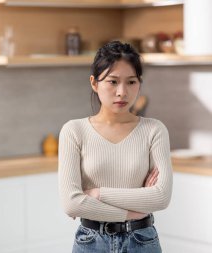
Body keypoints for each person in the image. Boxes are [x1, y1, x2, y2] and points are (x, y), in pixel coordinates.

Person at [58, 41, 172, 253]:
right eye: (112, 82)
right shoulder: (74, 131)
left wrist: (96, 194)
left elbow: (161, 196)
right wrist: (131, 214)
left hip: (142, 242)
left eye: (131, 82)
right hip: (91, 242)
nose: (122, 92)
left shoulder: (154, 130)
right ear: (94, 83)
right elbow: (71, 204)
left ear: (140, 83)